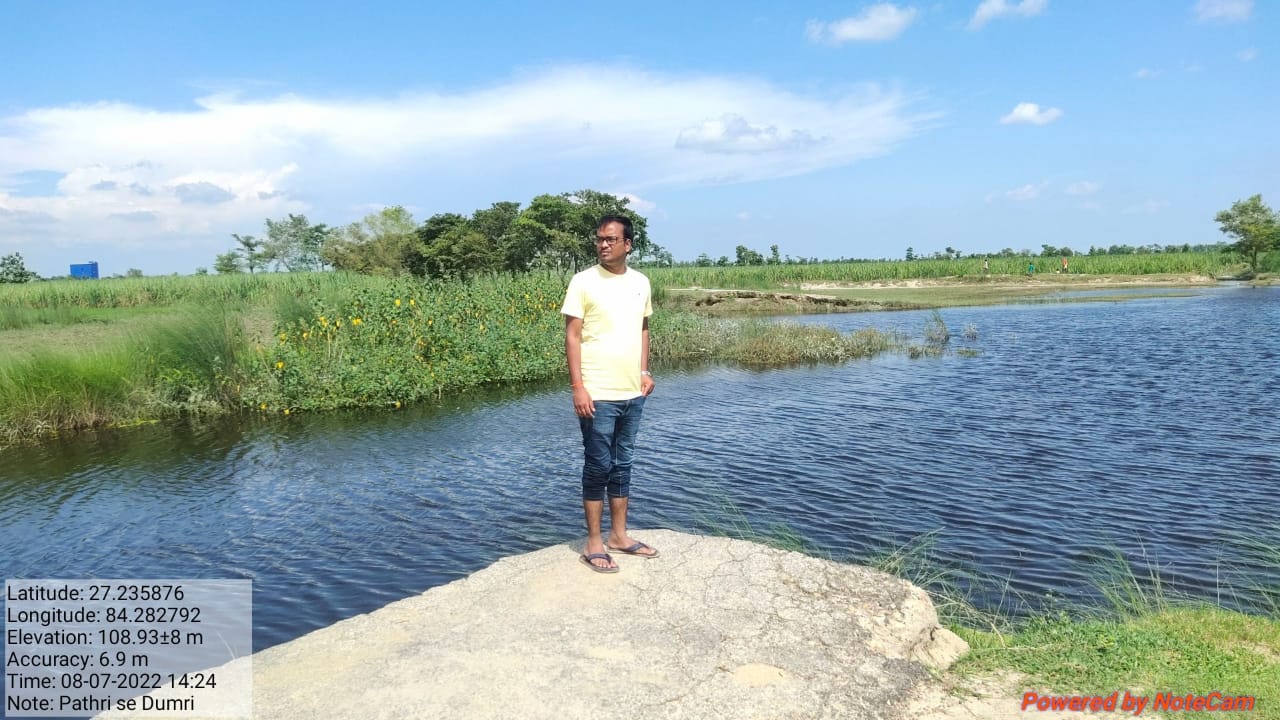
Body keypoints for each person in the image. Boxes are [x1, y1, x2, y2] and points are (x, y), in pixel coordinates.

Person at [561, 215, 658, 573]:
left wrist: (644, 372)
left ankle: (618, 535)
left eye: (611, 239)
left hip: (632, 391)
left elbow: (643, 328)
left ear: (627, 245)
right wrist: (579, 387)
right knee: (598, 464)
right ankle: (594, 542)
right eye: (600, 239)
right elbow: (573, 336)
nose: (603, 244)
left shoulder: (641, 282)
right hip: (597, 393)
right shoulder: (583, 281)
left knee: (623, 463)